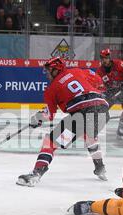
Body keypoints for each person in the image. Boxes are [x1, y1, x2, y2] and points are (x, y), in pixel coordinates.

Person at [17, 57, 110, 187]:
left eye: (49, 70)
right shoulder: (77, 71)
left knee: (50, 141)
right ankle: (100, 168)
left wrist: (36, 119)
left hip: (81, 115)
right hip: (103, 111)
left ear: (57, 69)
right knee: (89, 135)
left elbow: (48, 115)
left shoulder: (51, 89)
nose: (47, 74)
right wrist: (101, 92)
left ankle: (36, 173)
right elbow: (96, 78)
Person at [97, 49, 123, 139]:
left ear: (109, 58)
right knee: (101, 109)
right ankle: (96, 130)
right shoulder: (99, 71)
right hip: (110, 92)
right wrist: (103, 93)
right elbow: (99, 87)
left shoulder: (119, 64)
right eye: (102, 58)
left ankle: (121, 129)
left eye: (106, 58)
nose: (104, 60)